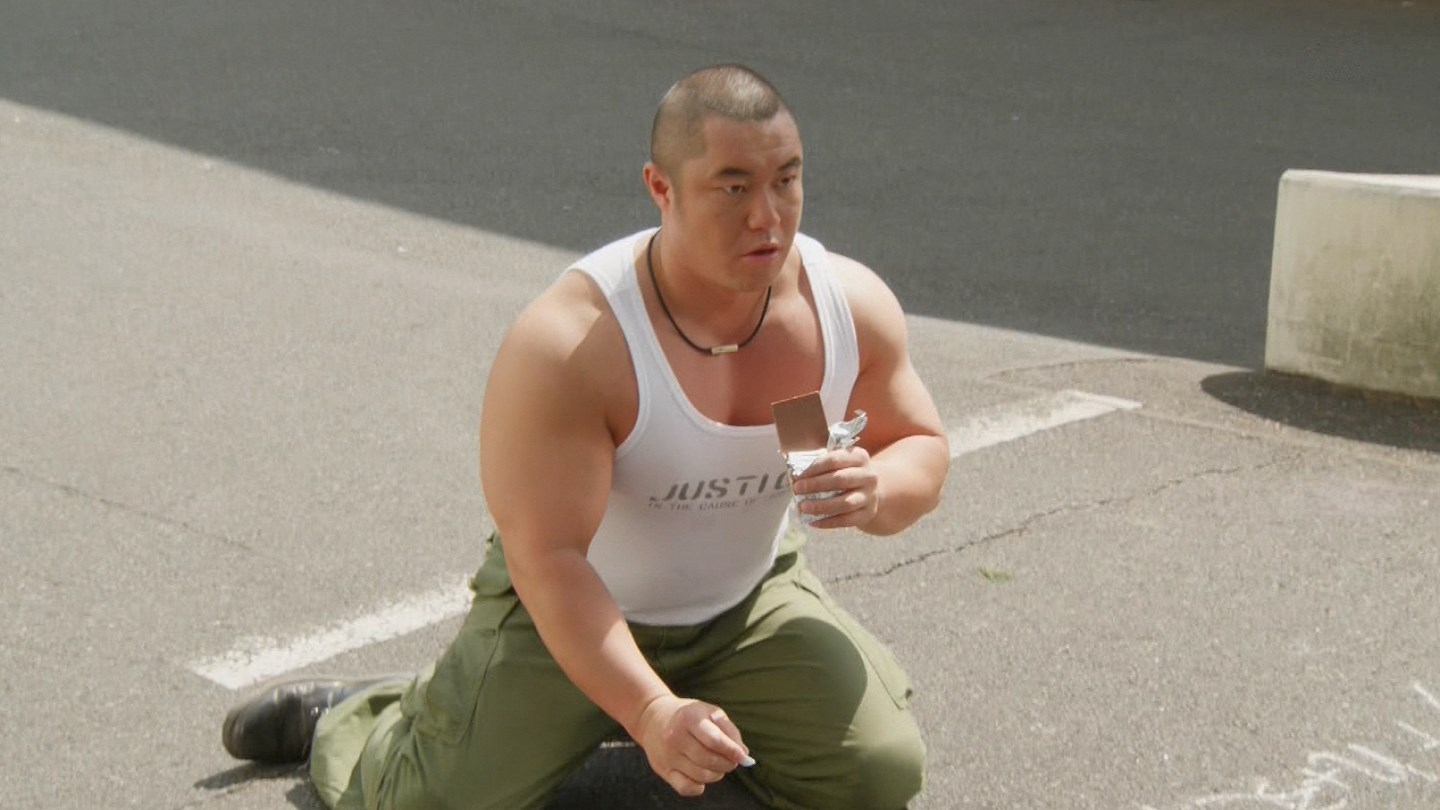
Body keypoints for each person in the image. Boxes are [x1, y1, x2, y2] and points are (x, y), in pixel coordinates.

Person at [222, 63, 949, 810]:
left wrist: (879, 489)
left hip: (744, 601)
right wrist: (649, 709)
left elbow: (920, 441)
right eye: (733, 188)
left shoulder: (843, 308)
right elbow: (550, 558)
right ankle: (367, 716)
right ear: (661, 188)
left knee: (877, 773)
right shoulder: (575, 345)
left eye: (786, 180)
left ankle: (663, 713)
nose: (768, 217)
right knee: (422, 804)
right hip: (569, 612)